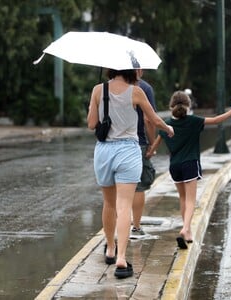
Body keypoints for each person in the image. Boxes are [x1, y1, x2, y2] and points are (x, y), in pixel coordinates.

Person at [87, 69, 174, 278]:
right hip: (128, 151)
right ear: (130, 70)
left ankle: (110, 248)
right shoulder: (136, 92)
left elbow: (91, 124)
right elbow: (153, 119)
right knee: (124, 205)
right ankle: (121, 259)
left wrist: (103, 108)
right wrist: (168, 129)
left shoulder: (98, 90)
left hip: (104, 151)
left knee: (108, 203)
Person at [146, 91, 231, 249]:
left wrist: (149, 153)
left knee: (183, 199)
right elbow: (216, 120)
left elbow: (154, 146)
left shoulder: (167, 124)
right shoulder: (193, 121)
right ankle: (185, 228)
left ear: (171, 106)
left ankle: (188, 232)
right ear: (188, 105)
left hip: (175, 166)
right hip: (190, 163)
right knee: (191, 200)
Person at [131, 69, 157, 237]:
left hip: (111, 143)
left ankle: (116, 230)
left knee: (117, 189)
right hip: (138, 142)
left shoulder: (105, 88)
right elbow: (149, 119)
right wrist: (152, 142)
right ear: (139, 70)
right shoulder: (144, 88)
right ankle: (136, 226)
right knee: (138, 187)